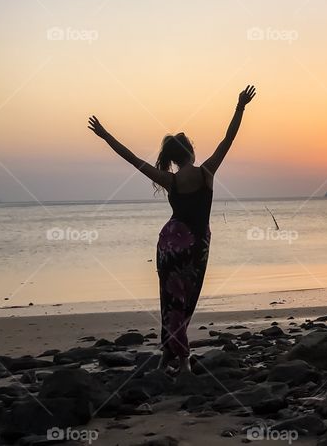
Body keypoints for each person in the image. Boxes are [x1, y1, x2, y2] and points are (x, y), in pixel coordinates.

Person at [88, 84, 256, 373]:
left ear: (173, 159)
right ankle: (183, 360)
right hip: (196, 244)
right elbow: (228, 138)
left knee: (170, 300)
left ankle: (170, 355)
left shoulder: (171, 181)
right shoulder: (207, 172)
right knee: (186, 300)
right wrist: (240, 106)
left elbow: (133, 160)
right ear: (190, 152)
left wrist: (105, 136)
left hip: (170, 243)